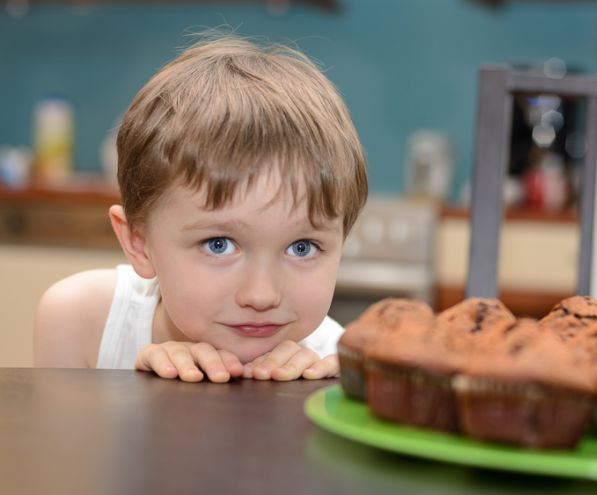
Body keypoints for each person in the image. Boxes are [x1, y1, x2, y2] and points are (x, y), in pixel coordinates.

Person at [33, 36, 368, 383]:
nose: (261, 295)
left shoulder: (338, 367)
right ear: (139, 242)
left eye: (302, 247)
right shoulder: (82, 321)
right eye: (218, 244)